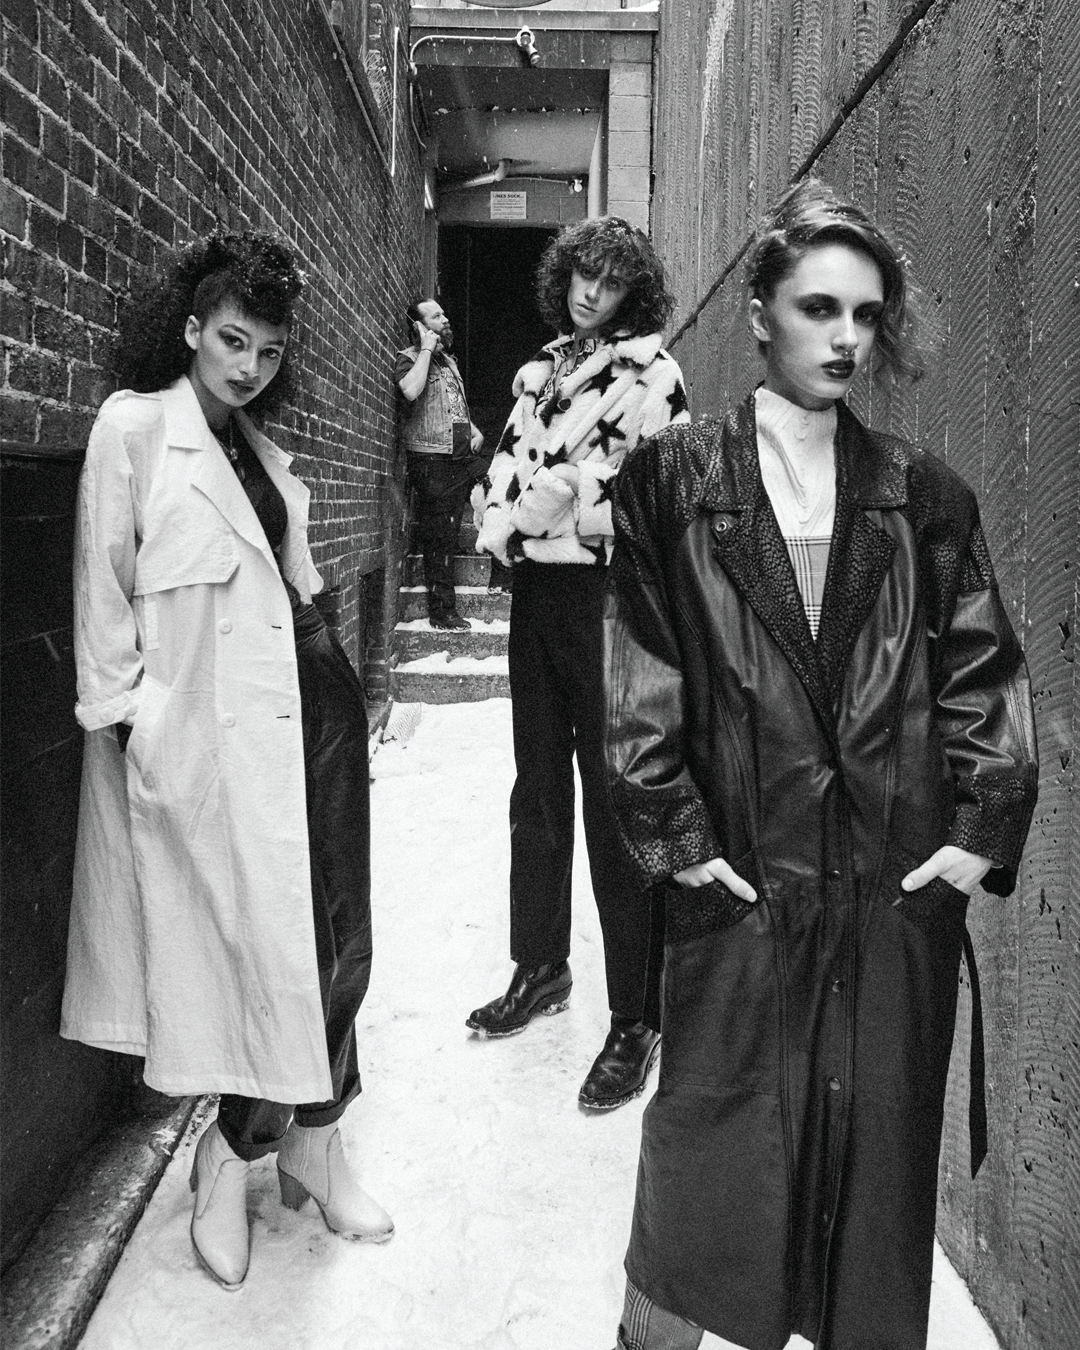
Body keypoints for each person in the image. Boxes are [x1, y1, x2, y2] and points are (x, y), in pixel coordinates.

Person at [603, 178, 1038, 1349]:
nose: (846, 337)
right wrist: (676, 839)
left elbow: (984, 670)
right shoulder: (671, 480)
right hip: (742, 891)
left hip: (886, 900)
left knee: (871, 1194)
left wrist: (980, 829)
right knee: (704, 1177)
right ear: (760, 312)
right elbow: (640, 670)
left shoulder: (925, 496)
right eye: (818, 308)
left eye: (865, 313)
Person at [61, 231, 393, 1292]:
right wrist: (137, 725)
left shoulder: (253, 445)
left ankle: (315, 1141)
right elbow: (102, 590)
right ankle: (233, 1154)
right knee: (266, 946)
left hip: (310, 694)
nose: (250, 366)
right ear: (192, 328)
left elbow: (288, 582)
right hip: (211, 728)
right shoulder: (135, 429)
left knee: (341, 934)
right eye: (234, 340)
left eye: (269, 350)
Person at [467, 216, 690, 1111]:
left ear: (634, 291)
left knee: (612, 801)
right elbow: (503, 466)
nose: (590, 293)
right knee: (536, 790)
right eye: (580, 275)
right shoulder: (543, 370)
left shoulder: (653, 375)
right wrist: (500, 513)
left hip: (606, 599)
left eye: (610, 281)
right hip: (536, 596)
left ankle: (637, 1015)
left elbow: (661, 492)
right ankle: (541, 965)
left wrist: (563, 496)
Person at [396, 298, 485, 629]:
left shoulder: (448, 362)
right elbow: (410, 390)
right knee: (441, 536)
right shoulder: (410, 359)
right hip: (431, 458)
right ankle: (442, 612)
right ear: (420, 326)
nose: (445, 319)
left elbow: (453, 405)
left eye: (444, 313)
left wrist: (473, 429)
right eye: (436, 316)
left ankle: (504, 576)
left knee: (502, 485)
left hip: (460, 455)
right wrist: (425, 349)